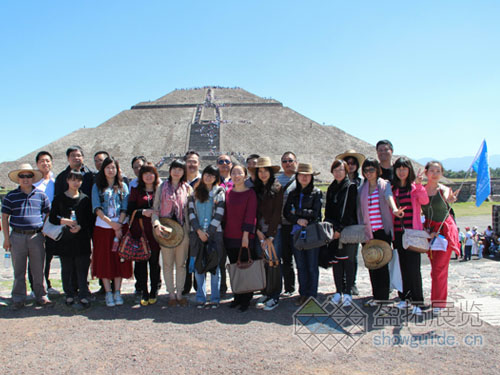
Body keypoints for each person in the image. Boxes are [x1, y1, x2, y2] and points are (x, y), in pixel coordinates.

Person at [2, 164, 52, 309]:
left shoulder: (41, 195)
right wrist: (6, 238)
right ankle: (18, 298)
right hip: (17, 236)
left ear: (33, 178)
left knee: (38, 269)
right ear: (18, 179)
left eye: (28, 176)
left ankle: (41, 296)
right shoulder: (11, 196)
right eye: (22, 176)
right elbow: (4, 217)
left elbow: (49, 212)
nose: (25, 179)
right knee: (19, 270)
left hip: (36, 236)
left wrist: (44, 228)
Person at [357, 157, 403, 306]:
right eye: (365, 170)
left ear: (378, 170)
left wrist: (395, 209)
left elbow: (388, 197)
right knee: (371, 263)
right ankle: (376, 295)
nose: (368, 173)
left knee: (382, 264)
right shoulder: (361, 189)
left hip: (382, 231)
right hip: (367, 232)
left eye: (371, 169)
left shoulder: (384, 185)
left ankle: (383, 297)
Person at [48, 170, 93, 308]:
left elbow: (89, 219)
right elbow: (52, 217)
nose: (76, 182)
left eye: (78, 180)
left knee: (82, 268)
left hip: (82, 239)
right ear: (67, 180)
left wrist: (80, 226)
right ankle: (69, 294)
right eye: (73, 179)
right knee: (67, 268)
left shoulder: (85, 198)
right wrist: (64, 221)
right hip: (65, 239)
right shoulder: (59, 198)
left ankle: (83, 294)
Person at [91, 157, 131, 307]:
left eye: (113, 167)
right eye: (107, 167)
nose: (110, 170)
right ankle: (108, 292)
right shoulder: (97, 186)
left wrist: (118, 225)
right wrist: (111, 224)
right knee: (104, 259)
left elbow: (125, 207)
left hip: (121, 226)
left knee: (119, 258)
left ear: (117, 169)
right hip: (103, 227)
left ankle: (118, 291)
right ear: (103, 170)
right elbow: (97, 207)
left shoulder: (122, 186)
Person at [421, 161, 460, 314]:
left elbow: (449, 199)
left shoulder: (443, 189)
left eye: (438, 171)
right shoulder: (422, 190)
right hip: (430, 231)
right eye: (432, 170)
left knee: (439, 268)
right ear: (426, 173)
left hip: (444, 231)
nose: (435, 173)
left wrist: (450, 199)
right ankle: (436, 299)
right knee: (434, 268)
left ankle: (438, 303)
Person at [152, 159, 192, 307]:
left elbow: (191, 211)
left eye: (180, 169)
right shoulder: (162, 187)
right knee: (168, 264)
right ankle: (171, 294)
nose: (177, 172)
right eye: (174, 168)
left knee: (181, 264)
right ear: (170, 170)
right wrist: (156, 224)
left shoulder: (187, 188)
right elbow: (155, 209)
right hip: (165, 230)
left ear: (183, 172)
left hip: (183, 231)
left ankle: (180, 293)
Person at [391, 157, 428, 316]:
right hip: (398, 233)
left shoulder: (414, 187)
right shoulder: (393, 189)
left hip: (412, 233)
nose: (401, 171)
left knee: (414, 268)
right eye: (399, 168)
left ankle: (418, 301)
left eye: (404, 168)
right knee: (402, 267)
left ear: (409, 170)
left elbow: (424, 200)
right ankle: (405, 298)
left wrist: (419, 185)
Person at [284, 163, 323, 306]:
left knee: (312, 265)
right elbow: (286, 212)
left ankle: (312, 295)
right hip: (296, 233)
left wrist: (298, 212)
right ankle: (303, 293)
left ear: (311, 177)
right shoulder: (293, 193)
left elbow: (317, 214)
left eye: (307, 175)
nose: (304, 177)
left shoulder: (316, 192)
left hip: (311, 233)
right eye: (301, 174)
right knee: (300, 265)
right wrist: (297, 219)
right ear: (297, 176)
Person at [187, 165, 225, 309]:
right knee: (198, 267)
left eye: (212, 175)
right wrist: (198, 231)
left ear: (216, 178)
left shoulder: (219, 192)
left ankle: (215, 298)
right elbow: (191, 213)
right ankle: (200, 297)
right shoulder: (194, 192)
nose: (209, 177)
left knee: (214, 267)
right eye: (206, 174)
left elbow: (219, 214)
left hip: (215, 234)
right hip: (197, 234)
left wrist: (208, 232)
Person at [324, 160, 358, 307]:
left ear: (346, 171)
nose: (338, 172)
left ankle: (348, 292)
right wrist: (329, 229)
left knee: (348, 260)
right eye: (335, 170)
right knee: (336, 261)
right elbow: (329, 210)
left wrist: (339, 229)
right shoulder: (332, 187)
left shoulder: (350, 187)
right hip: (333, 229)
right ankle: (338, 290)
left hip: (347, 228)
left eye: (341, 170)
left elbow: (349, 210)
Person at [251, 157, 283, 311]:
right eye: (260, 171)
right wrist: (257, 231)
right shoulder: (255, 189)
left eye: (265, 171)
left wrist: (270, 235)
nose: (263, 174)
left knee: (274, 263)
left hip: (272, 232)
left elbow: (278, 213)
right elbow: (253, 211)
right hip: (259, 231)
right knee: (263, 261)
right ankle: (265, 291)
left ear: (270, 172)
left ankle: (275, 295)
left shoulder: (277, 188)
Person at [127, 162, 161, 306]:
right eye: (145, 173)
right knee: (140, 262)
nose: (148, 176)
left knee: (154, 262)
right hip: (140, 230)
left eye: (151, 173)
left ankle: (154, 290)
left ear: (155, 175)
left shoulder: (160, 190)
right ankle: (143, 291)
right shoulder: (136, 190)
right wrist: (143, 212)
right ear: (141, 176)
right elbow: (130, 210)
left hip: (155, 231)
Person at [224, 164, 257, 312]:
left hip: (244, 236)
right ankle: (237, 295)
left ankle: (246, 298)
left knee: (245, 267)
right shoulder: (228, 193)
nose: (236, 175)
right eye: (234, 173)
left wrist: (245, 236)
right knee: (234, 267)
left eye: (240, 173)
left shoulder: (250, 193)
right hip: (229, 235)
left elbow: (250, 216)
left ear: (245, 175)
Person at [335, 149, 366, 296]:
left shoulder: (361, 182)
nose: (351, 165)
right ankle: (342, 284)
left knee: (352, 255)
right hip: (340, 223)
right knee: (340, 255)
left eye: (354, 163)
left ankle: (351, 283)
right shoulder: (339, 182)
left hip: (355, 222)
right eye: (348, 162)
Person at [28, 151, 58, 296]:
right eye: (41, 161)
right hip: (36, 224)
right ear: (37, 164)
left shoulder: (56, 181)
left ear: (51, 163)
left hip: (53, 224)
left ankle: (47, 284)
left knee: (49, 255)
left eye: (47, 161)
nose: (45, 163)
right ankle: (34, 287)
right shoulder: (33, 182)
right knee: (35, 257)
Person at [277, 151, 298, 296]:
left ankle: (304, 290)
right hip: (283, 224)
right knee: (286, 259)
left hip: (297, 224)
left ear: (296, 162)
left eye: (290, 160)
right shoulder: (277, 180)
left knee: (301, 259)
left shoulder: (301, 178)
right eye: (284, 161)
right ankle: (289, 288)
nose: (287, 163)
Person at [183, 150, 201, 295]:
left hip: (200, 225)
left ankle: (198, 285)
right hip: (182, 226)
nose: (192, 164)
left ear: (199, 164)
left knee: (198, 254)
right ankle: (185, 284)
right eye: (189, 161)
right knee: (184, 256)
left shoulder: (203, 181)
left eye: (194, 162)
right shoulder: (179, 180)